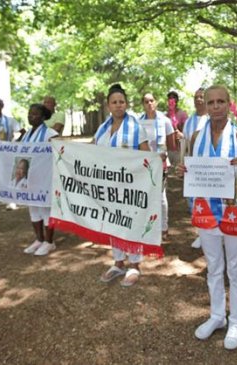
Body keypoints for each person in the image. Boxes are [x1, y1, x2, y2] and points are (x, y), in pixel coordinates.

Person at [177, 85, 237, 350]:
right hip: (207, 210)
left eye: (220, 101)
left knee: (236, 270)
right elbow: (193, 169)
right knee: (213, 267)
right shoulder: (197, 134)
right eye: (210, 101)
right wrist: (184, 171)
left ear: (229, 103)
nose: (215, 106)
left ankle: (236, 319)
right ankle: (216, 316)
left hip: (235, 211)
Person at [95, 84, 150, 287]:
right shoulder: (103, 128)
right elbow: (92, 151)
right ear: (108, 105)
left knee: (131, 223)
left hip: (130, 185)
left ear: (126, 104)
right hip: (107, 186)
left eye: (121, 102)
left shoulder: (136, 127)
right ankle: (118, 262)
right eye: (114, 102)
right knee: (113, 223)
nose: (118, 106)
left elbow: (147, 155)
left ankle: (134, 264)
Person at [21, 103, 59, 256]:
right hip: (30, 177)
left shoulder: (50, 133)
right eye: (29, 114)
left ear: (43, 117)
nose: (31, 117)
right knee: (33, 209)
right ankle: (39, 239)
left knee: (46, 209)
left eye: (35, 114)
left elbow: (58, 151)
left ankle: (49, 242)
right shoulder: (27, 134)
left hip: (45, 177)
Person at [139, 92, 176, 240]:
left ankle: (163, 227)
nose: (149, 104)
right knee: (145, 196)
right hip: (144, 164)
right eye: (146, 101)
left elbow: (172, 144)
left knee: (160, 196)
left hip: (160, 163)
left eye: (151, 101)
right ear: (143, 104)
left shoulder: (165, 121)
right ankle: (148, 226)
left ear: (156, 102)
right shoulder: (138, 122)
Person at [181, 88, 210, 248]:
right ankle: (201, 234)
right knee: (195, 202)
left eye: (201, 97)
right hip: (193, 168)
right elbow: (185, 144)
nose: (199, 99)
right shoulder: (189, 121)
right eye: (196, 97)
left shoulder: (212, 118)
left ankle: (214, 233)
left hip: (211, 169)